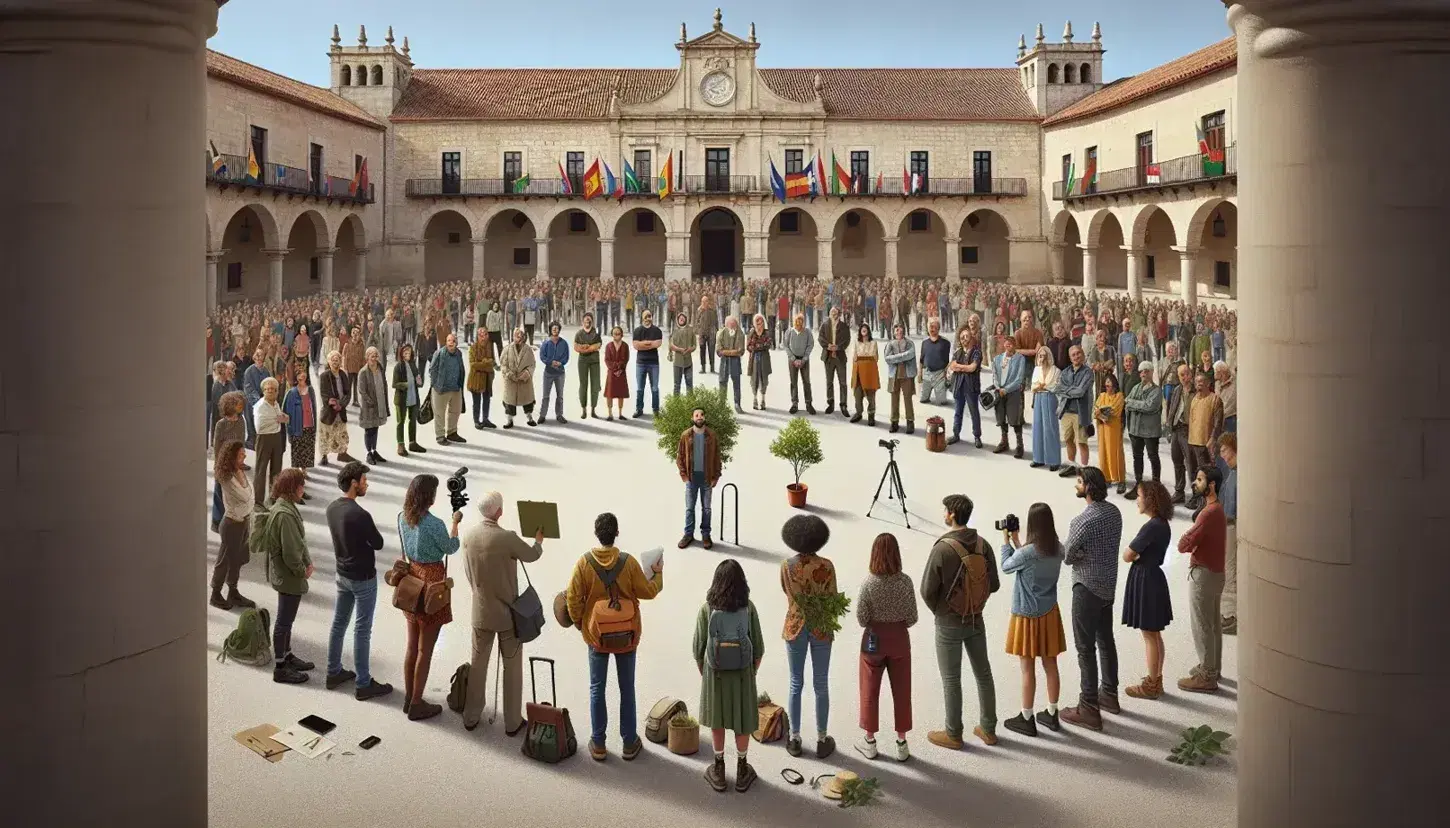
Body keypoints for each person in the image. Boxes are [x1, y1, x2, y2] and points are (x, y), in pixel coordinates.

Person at [565, 512, 664, 760]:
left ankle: (598, 743)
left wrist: (582, 624)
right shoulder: (628, 563)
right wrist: (657, 573)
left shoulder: (584, 563)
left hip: (596, 636)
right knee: (626, 687)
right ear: (617, 533)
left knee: (597, 687)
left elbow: (573, 600)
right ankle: (629, 742)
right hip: (626, 635)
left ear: (597, 535)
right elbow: (648, 591)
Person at [462, 491, 546, 733]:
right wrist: (538, 541)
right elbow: (531, 556)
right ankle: (512, 721)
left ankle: (471, 716)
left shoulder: (468, 535)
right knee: (512, 667)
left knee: (478, 664)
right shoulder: (506, 538)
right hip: (507, 616)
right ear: (499, 511)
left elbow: (469, 572)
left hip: (480, 611)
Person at [921, 494, 1000, 749]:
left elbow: (926, 590)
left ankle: (953, 734)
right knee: (984, 674)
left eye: (945, 510)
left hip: (948, 623)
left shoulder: (942, 548)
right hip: (977, 620)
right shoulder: (983, 545)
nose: (943, 513)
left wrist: (940, 611)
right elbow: (994, 585)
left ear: (953, 514)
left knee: (951, 679)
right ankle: (988, 729)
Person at [1059, 467, 1124, 731]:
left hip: (1086, 588)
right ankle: (1109, 694)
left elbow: (1067, 556)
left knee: (1085, 649)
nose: (1076, 485)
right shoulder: (1114, 513)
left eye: (1078, 481)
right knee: (1106, 640)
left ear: (1087, 486)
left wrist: (1081, 553)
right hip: (1108, 586)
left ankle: (1088, 707)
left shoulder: (1082, 521)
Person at [693, 559, 765, 793]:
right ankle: (742, 768)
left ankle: (719, 767)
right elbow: (759, 648)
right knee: (742, 722)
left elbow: (698, 648)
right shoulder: (749, 608)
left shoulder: (707, 609)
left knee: (718, 720)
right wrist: (750, 671)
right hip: (743, 675)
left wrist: (707, 672)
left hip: (716, 676)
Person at [324, 461, 393, 701]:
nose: (366, 484)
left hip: (341, 574)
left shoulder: (332, 508)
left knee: (339, 623)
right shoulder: (360, 514)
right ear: (354, 484)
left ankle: (333, 671)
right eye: (364, 480)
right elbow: (378, 543)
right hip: (363, 579)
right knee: (362, 630)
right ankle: (363, 684)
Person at [998, 503, 1067, 737]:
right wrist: (1019, 543)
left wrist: (1006, 542)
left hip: (1027, 615)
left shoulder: (1028, 552)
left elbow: (1007, 566)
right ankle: (1052, 712)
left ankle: (1026, 717)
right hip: (1049, 613)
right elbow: (1028, 559)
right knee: (1051, 664)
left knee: (1027, 668)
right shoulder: (1058, 549)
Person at [396, 474, 460, 720]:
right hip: (432, 580)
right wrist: (455, 524)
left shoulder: (403, 517)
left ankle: (408, 696)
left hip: (412, 579)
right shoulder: (434, 524)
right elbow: (450, 548)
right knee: (426, 649)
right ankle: (416, 703)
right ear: (429, 497)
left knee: (412, 645)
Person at [778, 515, 838, 759]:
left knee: (795, 682)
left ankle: (794, 737)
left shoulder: (787, 566)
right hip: (821, 626)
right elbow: (833, 597)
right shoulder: (827, 566)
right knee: (821, 683)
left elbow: (786, 591)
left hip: (795, 626)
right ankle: (822, 738)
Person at [855, 533, 917, 761]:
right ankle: (901, 743)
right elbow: (912, 618)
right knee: (902, 691)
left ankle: (870, 741)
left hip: (873, 640)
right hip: (900, 640)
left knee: (869, 690)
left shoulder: (868, 583)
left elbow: (862, 618)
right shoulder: (906, 582)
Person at [1122, 480, 1175, 700]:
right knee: (1155, 633)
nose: (1137, 499)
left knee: (1149, 635)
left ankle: (1152, 684)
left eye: (1140, 496)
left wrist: (1134, 554)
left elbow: (1127, 555)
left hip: (1146, 579)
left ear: (1150, 500)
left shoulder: (1151, 526)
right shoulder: (1162, 524)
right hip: (1154, 577)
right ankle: (1156, 678)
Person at [1177, 466, 1227, 694]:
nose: (1195, 483)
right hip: (1216, 572)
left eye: (1199, 479)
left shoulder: (1208, 513)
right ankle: (1213, 667)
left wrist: (1185, 540)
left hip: (1203, 574)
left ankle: (1207, 676)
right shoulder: (1217, 509)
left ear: (1212, 484)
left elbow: (1184, 544)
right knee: (1214, 623)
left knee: (1202, 625)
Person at [211, 440, 256, 611]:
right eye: (241, 453)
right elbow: (246, 496)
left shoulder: (240, 471)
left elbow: (251, 495)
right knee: (224, 561)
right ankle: (215, 594)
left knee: (236, 560)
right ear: (232, 457)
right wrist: (250, 497)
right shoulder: (227, 478)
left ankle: (233, 591)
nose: (245, 455)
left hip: (243, 521)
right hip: (232, 525)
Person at [676, 407, 721, 550]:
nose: (699, 417)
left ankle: (706, 535)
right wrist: (684, 476)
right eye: (696, 415)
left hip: (707, 479)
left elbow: (717, 457)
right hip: (691, 479)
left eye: (701, 415)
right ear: (692, 418)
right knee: (690, 509)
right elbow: (680, 457)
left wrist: (716, 476)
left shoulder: (712, 436)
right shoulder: (686, 435)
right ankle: (688, 534)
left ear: (704, 418)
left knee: (706, 509)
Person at [1123, 364, 1163, 501]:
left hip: (1150, 431)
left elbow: (1150, 406)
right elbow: (1126, 402)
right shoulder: (1136, 387)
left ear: (1152, 373)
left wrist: (1133, 403)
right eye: (1142, 372)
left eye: (1147, 371)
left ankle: (1156, 487)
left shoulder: (1157, 391)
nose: (1144, 374)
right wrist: (1137, 403)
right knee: (1137, 457)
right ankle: (1139, 485)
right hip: (1135, 430)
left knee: (1153, 457)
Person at [1054, 345, 1094, 476]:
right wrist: (1072, 390)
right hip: (1066, 411)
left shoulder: (1088, 372)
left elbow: (1080, 392)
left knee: (1081, 442)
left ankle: (1084, 470)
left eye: (1078, 354)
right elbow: (1058, 388)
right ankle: (1072, 465)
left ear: (1082, 354)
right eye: (1073, 355)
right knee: (1068, 440)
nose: (1076, 356)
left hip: (1080, 413)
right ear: (1070, 358)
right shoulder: (1065, 372)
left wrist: (1068, 390)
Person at [210, 391, 246, 533]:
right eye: (237, 404)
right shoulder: (221, 424)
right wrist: (218, 465)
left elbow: (241, 442)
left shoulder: (241, 421)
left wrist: (240, 461)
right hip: (223, 462)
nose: (240, 406)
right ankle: (217, 522)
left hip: (235, 462)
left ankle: (231, 521)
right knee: (220, 492)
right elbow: (217, 446)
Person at [251, 377, 287, 506]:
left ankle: (274, 496)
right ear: (263, 391)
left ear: (277, 391)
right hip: (264, 438)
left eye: (273, 389)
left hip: (276, 437)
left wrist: (280, 418)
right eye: (267, 389)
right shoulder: (260, 406)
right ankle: (258, 501)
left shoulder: (276, 404)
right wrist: (277, 419)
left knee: (277, 469)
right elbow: (260, 426)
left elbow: (282, 418)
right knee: (261, 470)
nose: (270, 391)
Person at [991, 337, 1028, 458]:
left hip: (1013, 392)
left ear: (1014, 345)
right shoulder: (997, 359)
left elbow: (1019, 379)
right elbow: (995, 375)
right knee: (1001, 417)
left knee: (1015, 418)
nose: (1008, 346)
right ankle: (1004, 442)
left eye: (1011, 344)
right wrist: (998, 388)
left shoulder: (1020, 359)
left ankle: (1019, 445)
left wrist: (1006, 390)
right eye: (1006, 344)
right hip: (1000, 391)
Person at [1217, 432, 1239, 635]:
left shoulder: (1238, 474)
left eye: (1224, 450)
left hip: (1233, 526)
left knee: (1230, 572)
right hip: (1228, 525)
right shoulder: (1232, 472)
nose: (1222, 455)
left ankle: (1231, 616)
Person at [318, 351, 356, 466]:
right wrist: (330, 402)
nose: (335, 362)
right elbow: (323, 393)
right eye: (333, 360)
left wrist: (342, 404)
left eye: (337, 360)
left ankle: (342, 453)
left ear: (340, 361)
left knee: (342, 432)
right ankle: (324, 456)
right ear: (329, 362)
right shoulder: (324, 376)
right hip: (329, 410)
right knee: (326, 433)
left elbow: (348, 393)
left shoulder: (343, 374)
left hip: (341, 408)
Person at [947, 326, 983, 447]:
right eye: (962, 337)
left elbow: (973, 367)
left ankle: (977, 436)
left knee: (974, 412)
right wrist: (964, 367)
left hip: (971, 387)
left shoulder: (977, 352)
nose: (964, 339)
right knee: (958, 411)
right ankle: (956, 434)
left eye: (967, 336)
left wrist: (960, 367)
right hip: (959, 385)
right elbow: (952, 366)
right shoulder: (958, 352)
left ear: (971, 338)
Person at [355, 347, 391, 466]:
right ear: (367, 357)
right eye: (372, 356)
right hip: (369, 406)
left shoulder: (380, 368)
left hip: (380, 403)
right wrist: (370, 402)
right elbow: (362, 391)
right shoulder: (363, 372)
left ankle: (374, 451)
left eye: (376, 356)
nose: (375, 358)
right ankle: (368, 453)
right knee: (369, 430)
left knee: (376, 428)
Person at [430, 332, 467, 443]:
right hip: (441, 389)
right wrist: (436, 384)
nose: (451, 343)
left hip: (455, 388)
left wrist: (460, 384)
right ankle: (440, 436)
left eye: (453, 341)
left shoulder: (459, 353)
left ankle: (452, 432)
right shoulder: (439, 353)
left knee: (455, 411)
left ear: (456, 343)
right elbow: (432, 370)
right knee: (439, 413)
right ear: (446, 342)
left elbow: (461, 368)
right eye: (449, 340)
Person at [1029, 345, 1062, 470]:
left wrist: (1042, 386)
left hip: (1050, 398)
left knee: (1050, 428)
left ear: (1049, 357)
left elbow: (1055, 386)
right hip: (1038, 398)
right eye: (1040, 356)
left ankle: (1053, 460)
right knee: (1038, 427)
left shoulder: (1056, 370)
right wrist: (1040, 387)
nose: (1042, 358)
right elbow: (1033, 386)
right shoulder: (1036, 370)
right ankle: (1038, 458)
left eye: (1044, 356)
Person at [392, 343, 428, 456]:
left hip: (413, 397)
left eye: (409, 352)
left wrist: (419, 381)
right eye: (405, 352)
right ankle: (400, 445)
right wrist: (405, 384)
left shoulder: (413, 365)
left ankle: (412, 443)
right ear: (402, 354)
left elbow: (419, 381)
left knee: (412, 421)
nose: (407, 354)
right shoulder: (398, 366)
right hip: (402, 399)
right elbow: (394, 384)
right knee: (400, 422)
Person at [1166, 363, 1194, 504]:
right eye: (1181, 375)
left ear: (1191, 374)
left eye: (1186, 373)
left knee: (1191, 463)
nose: (1184, 377)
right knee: (1177, 460)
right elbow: (1172, 408)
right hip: (1176, 428)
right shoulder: (1177, 390)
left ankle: (1196, 494)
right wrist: (1169, 426)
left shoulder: (1196, 391)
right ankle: (1179, 491)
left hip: (1188, 429)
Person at [882, 323, 917, 435]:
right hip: (894, 374)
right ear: (893, 332)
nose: (899, 333)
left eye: (901, 331)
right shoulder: (890, 344)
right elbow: (887, 358)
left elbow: (910, 355)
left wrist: (896, 357)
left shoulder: (910, 343)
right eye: (897, 331)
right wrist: (902, 357)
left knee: (908, 398)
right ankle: (894, 421)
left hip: (906, 373)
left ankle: (910, 422)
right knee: (894, 398)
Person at [1095, 373, 1127, 494]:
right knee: (1103, 452)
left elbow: (1115, 411)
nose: (1108, 386)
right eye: (1106, 383)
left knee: (1116, 452)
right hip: (1102, 428)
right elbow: (1095, 409)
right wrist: (1101, 415)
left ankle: (1120, 480)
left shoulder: (1119, 396)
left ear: (1114, 384)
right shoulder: (1102, 395)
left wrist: (1101, 412)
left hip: (1114, 428)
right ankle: (1106, 478)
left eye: (1110, 383)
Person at [500, 327, 538, 428]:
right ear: (513, 337)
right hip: (511, 381)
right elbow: (503, 365)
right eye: (517, 336)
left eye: (521, 336)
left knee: (528, 402)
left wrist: (526, 373)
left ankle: (530, 417)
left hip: (524, 381)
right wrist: (509, 374)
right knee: (509, 402)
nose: (519, 338)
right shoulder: (507, 349)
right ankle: (509, 420)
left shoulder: (528, 350)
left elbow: (532, 364)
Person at [280, 370, 317, 474]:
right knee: (297, 450)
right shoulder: (291, 392)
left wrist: (315, 426)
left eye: (304, 375)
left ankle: (304, 470)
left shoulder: (311, 390)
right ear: (296, 377)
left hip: (309, 424)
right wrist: (289, 429)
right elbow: (285, 411)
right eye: (300, 376)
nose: (302, 378)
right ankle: (297, 472)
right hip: (296, 426)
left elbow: (314, 408)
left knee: (307, 449)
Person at [818, 305, 851, 417]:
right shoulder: (825, 325)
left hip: (840, 357)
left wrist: (838, 347)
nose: (833, 314)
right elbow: (820, 338)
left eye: (835, 312)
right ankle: (830, 403)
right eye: (832, 312)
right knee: (829, 382)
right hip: (828, 357)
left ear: (839, 314)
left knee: (842, 382)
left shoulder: (844, 326)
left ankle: (843, 405)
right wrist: (827, 346)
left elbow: (847, 340)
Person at [537, 322, 570, 425]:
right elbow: (542, 356)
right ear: (550, 330)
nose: (555, 330)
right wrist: (551, 362)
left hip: (560, 373)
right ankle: (542, 415)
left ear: (559, 330)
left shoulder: (563, 343)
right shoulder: (546, 343)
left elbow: (566, 356)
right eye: (553, 328)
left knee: (560, 396)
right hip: (548, 372)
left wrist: (561, 363)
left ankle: (559, 415)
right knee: (545, 396)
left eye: (557, 328)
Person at [632, 310, 663, 417]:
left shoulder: (657, 330)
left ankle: (656, 410)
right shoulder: (637, 331)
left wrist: (643, 344)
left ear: (652, 317)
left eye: (649, 316)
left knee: (654, 388)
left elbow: (658, 343)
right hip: (640, 363)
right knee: (640, 388)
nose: (647, 318)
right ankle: (639, 409)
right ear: (642, 318)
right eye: (645, 316)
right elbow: (636, 345)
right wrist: (649, 344)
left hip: (654, 363)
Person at [782, 313, 815, 415]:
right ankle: (794, 403)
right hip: (793, 360)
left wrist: (804, 359)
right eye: (797, 320)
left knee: (806, 382)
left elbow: (810, 345)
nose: (799, 322)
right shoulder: (789, 332)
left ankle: (809, 403)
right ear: (794, 321)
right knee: (793, 382)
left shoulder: (807, 332)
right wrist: (793, 359)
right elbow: (786, 346)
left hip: (804, 360)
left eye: (801, 320)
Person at [850, 323, 880, 426]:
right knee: (857, 394)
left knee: (871, 394)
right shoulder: (856, 342)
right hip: (858, 369)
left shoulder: (873, 343)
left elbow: (875, 357)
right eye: (862, 328)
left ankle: (871, 415)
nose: (864, 329)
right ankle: (858, 413)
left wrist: (864, 356)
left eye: (866, 328)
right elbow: (854, 357)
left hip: (870, 370)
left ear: (868, 331)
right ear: (859, 331)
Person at [573, 313, 603, 419]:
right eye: (586, 320)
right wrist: (588, 347)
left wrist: (586, 347)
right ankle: (584, 409)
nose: (588, 322)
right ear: (582, 321)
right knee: (583, 385)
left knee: (595, 386)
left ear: (592, 321)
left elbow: (598, 345)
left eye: (589, 320)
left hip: (595, 361)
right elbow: (576, 347)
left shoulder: (596, 333)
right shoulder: (579, 334)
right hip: (582, 362)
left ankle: (593, 409)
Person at [466, 329, 496, 430]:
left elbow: (492, 362)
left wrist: (485, 363)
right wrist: (486, 364)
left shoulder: (490, 346)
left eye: (485, 335)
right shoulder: (473, 347)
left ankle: (485, 419)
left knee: (487, 399)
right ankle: (476, 421)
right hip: (476, 379)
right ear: (477, 336)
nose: (483, 337)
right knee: (477, 401)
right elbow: (473, 365)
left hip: (487, 378)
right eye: (481, 335)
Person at [715, 316, 745, 414]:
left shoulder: (740, 334)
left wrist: (726, 351)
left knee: (736, 383)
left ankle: (737, 404)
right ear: (726, 324)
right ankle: (721, 404)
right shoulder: (721, 333)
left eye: (733, 324)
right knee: (722, 382)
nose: (732, 326)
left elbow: (740, 351)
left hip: (735, 362)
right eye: (730, 324)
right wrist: (733, 352)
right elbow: (719, 350)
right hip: (724, 362)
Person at [918, 318, 951, 406]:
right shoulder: (924, 342)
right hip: (927, 373)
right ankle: (927, 393)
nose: (932, 329)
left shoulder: (945, 342)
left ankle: (941, 390)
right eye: (930, 327)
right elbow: (921, 359)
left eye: (935, 327)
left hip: (939, 373)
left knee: (942, 402)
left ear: (938, 328)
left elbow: (947, 361)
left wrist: (945, 376)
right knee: (923, 399)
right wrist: (920, 373)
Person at [241, 347, 269, 450]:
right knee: (251, 424)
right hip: (251, 403)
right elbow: (248, 388)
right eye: (257, 354)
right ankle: (252, 443)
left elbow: (268, 385)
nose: (258, 357)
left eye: (261, 355)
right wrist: (258, 402)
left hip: (262, 402)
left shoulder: (266, 371)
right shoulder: (249, 371)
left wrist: (265, 400)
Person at [602, 325, 630, 421]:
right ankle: (610, 414)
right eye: (615, 333)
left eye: (618, 333)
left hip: (622, 373)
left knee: (621, 394)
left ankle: (620, 413)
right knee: (610, 393)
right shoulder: (608, 346)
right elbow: (607, 360)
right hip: (611, 374)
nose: (617, 335)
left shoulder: (625, 346)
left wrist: (620, 369)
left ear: (621, 335)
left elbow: (626, 359)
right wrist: (614, 369)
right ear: (612, 335)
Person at [746, 313, 772, 411]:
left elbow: (768, 344)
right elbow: (748, 346)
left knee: (764, 379)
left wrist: (757, 346)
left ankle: (763, 399)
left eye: (761, 323)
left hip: (764, 359)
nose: (759, 325)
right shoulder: (752, 332)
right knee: (754, 379)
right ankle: (755, 399)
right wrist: (759, 346)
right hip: (754, 359)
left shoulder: (767, 333)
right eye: (757, 323)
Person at [668, 311, 696, 396]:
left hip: (688, 362)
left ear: (686, 320)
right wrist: (679, 349)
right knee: (677, 385)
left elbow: (694, 345)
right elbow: (671, 345)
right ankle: (676, 405)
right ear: (677, 320)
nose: (682, 319)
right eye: (680, 318)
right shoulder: (674, 331)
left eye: (683, 318)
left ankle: (691, 405)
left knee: (689, 385)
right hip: (677, 362)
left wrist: (689, 349)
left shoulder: (690, 330)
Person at [696, 295, 718, 373]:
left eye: (706, 301)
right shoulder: (699, 310)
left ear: (708, 302)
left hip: (711, 333)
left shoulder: (712, 310)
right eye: (703, 301)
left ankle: (712, 368)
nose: (704, 303)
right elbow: (696, 320)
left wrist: (717, 331)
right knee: (702, 351)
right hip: (702, 333)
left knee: (711, 351)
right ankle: (703, 367)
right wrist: (698, 331)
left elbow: (716, 321)